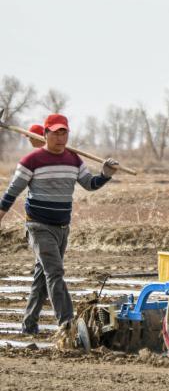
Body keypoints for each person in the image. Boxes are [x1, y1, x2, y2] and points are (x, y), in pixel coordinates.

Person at [0, 114, 118, 334]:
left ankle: (29, 325)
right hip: (38, 226)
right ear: (45, 134)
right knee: (55, 273)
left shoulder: (74, 160)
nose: (60, 137)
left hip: (62, 227)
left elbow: (90, 184)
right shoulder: (31, 161)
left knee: (42, 277)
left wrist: (105, 175)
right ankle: (68, 324)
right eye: (55, 133)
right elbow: (11, 192)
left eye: (64, 132)